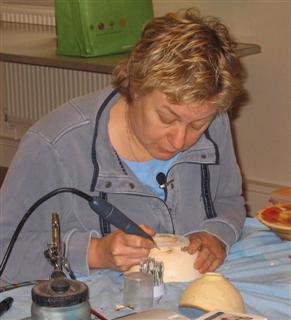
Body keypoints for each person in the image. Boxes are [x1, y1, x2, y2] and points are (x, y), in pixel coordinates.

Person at [0, 8, 246, 283]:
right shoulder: (55, 146)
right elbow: (4, 250)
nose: (180, 141)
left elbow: (228, 200)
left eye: (196, 126)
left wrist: (217, 233)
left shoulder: (213, 119)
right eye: (167, 118)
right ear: (135, 87)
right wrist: (94, 252)